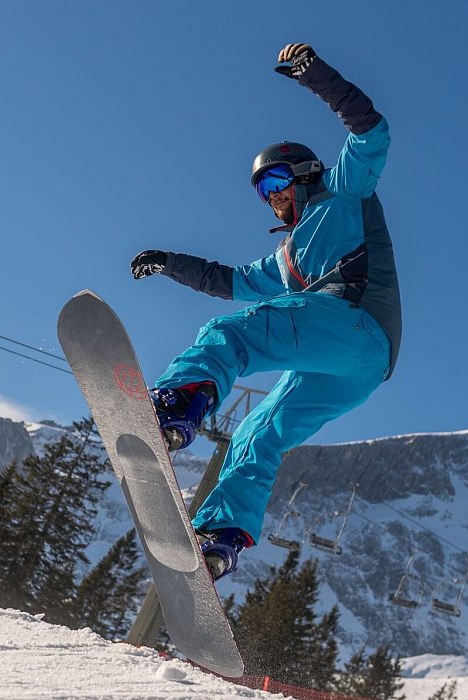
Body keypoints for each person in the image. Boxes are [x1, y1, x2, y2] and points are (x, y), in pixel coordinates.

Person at [130, 43, 401, 580]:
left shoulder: (343, 192)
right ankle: (221, 537)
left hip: (356, 326)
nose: (271, 197)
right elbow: (227, 280)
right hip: (355, 369)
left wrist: (316, 76)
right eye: (261, 191)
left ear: (303, 174)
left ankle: (181, 403)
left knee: (232, 335)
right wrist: (168, 262)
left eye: (276, 182)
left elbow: (370, 131)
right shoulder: (286, 260)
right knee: (259, 433)